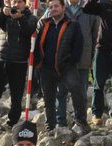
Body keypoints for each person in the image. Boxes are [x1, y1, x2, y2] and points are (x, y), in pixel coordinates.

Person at [0, 0, 38, 141]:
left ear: (24, 4)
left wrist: (20, 18)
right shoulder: (3, 14)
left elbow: (29, 30)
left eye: (20, 2)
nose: (17, 5)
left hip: (18, 61)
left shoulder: (30, 17)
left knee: (16, 95)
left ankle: (12, 123)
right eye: (14, 1)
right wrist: (1, 12)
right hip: (0, 58)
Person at [35, 0, 91, 134]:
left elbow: (78, 46)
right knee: (49, 98)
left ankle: (81, 121)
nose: (53, 9)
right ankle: (51, 126)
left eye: (56, 6)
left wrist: (72, 62)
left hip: (66, 67)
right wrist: (38, 63)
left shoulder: (73, 25)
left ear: (63, 8)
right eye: (51, 7)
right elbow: (37, 44)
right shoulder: (44, 25)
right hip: (47, 68)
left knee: (77, 91)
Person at [56, 0, 100, 127]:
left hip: (83, 57)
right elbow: (44, 25)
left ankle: (81, 122)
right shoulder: (59, 6)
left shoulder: (89, 9)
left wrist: (92, 57)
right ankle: (61, 122)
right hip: (62, 59)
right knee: (61, 92)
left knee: (81, 92)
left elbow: (96, 35)